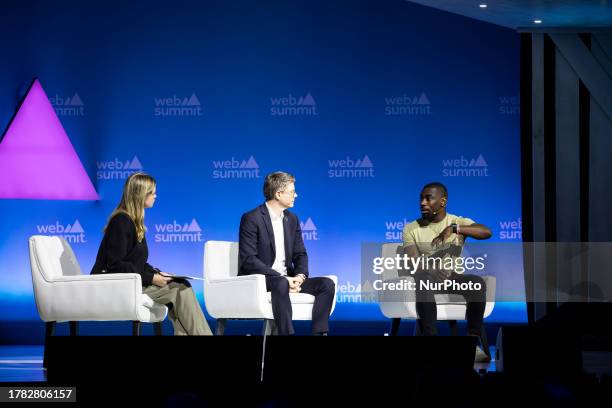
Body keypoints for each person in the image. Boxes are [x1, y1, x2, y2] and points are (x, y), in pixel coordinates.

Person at [91, 172, 212, 336]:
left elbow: (136, 263)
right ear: (140, 195)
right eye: (152, 192)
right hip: (117, 286)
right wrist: (151, 278)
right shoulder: (121, 221)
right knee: (180, 289)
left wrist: (157, 273)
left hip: (132, 282)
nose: (155, 196)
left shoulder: (134, 222)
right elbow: (116, 265)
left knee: (180, 285)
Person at [402, 182, 492, 361]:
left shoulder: (457, 221)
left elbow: (486, 232)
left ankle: (472, 343)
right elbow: (414, 262)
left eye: (428, 198)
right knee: (422, 279)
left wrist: (454, 229)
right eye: (421, 198)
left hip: (453, 278)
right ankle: (432, 341)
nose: (422, 203)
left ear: (442, 202)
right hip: (427, 277)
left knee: (476, 283)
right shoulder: (411, 228)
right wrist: (432, 269)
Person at [238, 171, 335, 335]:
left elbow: (300, 254)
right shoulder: (252, 218)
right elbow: (248, 260)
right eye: (292, 192)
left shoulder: (292, 219)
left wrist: (300, 277)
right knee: (281, 283)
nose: (296, 195)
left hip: (288, 278)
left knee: (326, 284)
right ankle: (287, 334)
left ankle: (320, 334)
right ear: (278, 194)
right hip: (262, 279)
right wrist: (282, 278)